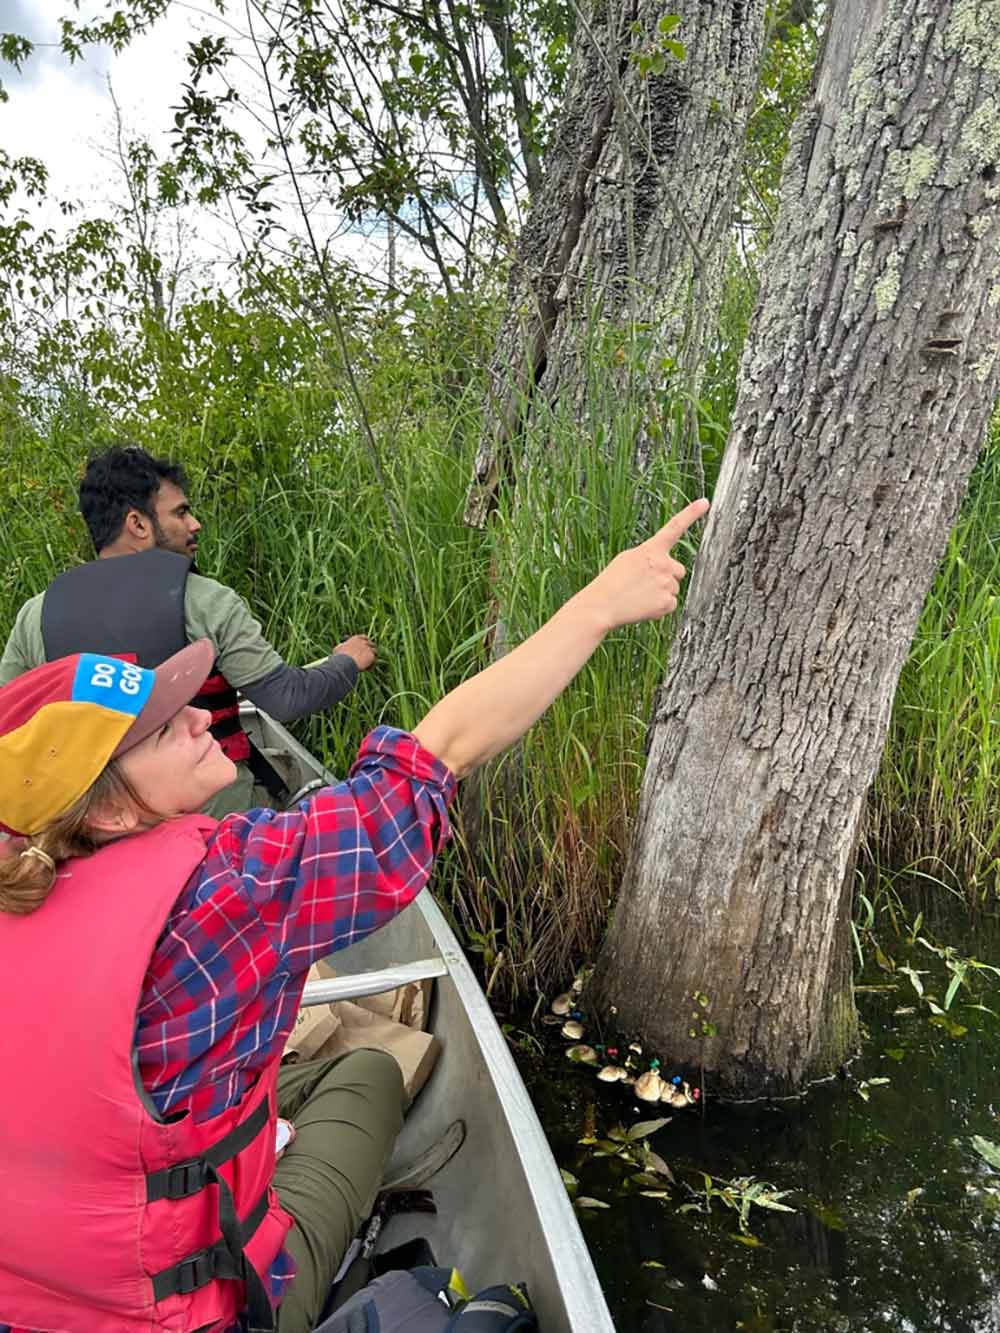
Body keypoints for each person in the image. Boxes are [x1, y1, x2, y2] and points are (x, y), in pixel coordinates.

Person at [0, 497, 708, 1333]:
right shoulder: (227, 890)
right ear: (109, 812)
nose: (200, 711)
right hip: (183, 1314)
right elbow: (437, 754)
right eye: (161, 727)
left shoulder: (33, 884)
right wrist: (599, 603)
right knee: (370, 1069)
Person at [0, 445, 377, 816]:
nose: (195, 524)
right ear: (138, 524)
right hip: (213, 817)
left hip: (99, 825)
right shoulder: (205, 601)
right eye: (181, 512)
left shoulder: (36, 614)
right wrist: (346, 661)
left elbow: (10, 722)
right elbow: (287, 698)